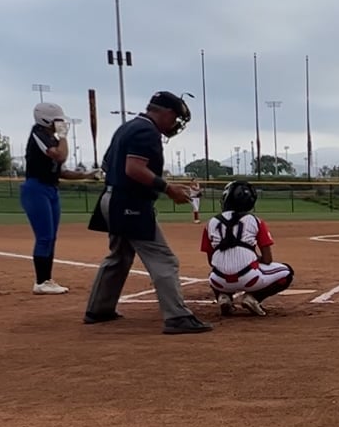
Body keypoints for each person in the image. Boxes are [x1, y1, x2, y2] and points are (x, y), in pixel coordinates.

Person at [82, 91, 212, 334]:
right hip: (129, 203)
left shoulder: (127, 127)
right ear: (166, 113)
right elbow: (133, 168)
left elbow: (109, 164)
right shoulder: (147, 131)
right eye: (175, 118)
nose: (174, 124)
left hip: (113, 198)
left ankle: (98, 309)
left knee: (119, 256)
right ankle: (177, 317)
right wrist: (168, 188)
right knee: (164, 259)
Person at [23, 101, 96, 295]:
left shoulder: (51, 138)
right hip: (36, 189)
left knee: (51, 237)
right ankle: (41, 282)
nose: (61, 124)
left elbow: (60, 171)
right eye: (58, 120)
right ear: (45, 119)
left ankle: (46, 280)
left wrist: (87, 175)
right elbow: (60, 156)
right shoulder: (39, 135)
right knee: (44, 237)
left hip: (50, 189)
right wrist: (63, 136)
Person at [201, 180, 295, 317]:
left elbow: (211, 261)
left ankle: (223, 297)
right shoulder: (255, 220)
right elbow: (268, 259)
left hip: (218, 281)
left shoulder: (211, 222)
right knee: (287, 272)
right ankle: (253, 298)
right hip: (251, 279)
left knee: (214, 272)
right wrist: (254, 258)